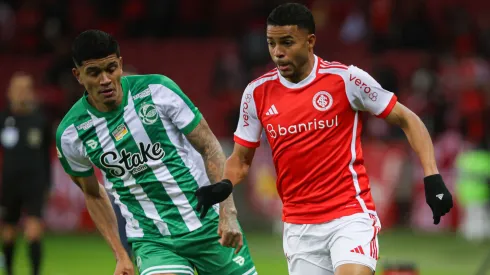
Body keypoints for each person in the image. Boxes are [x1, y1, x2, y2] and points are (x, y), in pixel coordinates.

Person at [195, 3, 454, 275]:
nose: (278, 52)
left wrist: (432, 176)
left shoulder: (345, 79)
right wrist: (225, 184)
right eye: (271, 43)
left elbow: (408, 119)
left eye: (287, 43)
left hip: (350, 215)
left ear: (310, 42)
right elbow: (241, 159)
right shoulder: (256, 93)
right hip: (299, 226)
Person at [55, 30, 257, 275]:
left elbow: (209, 146)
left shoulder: (157, 90)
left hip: (208, 224)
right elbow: (93, 193)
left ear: (120, 63)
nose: (105, 79)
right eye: (94, 73)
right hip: (152, 240)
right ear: (78, 75)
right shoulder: (71, 133)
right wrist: (120, 255)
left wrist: (228, 212)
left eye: (110, 68)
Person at [0, 72, 52, 275]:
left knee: (33, 231)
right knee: (9, 232)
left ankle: (35, 272)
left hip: (34, 183)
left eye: (25, 89)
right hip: (10, 183)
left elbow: (46, 157)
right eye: (17, 89)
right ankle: (9, 271)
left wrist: (48, 184)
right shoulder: (3, 119)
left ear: (31, 93)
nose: (21, 93)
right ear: (9, 92)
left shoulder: (40, 120)